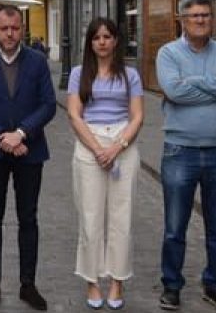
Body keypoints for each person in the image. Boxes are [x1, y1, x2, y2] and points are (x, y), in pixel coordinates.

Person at [155, 0, 216, 311]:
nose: (200, 20)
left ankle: (215, 285)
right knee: (175, 226)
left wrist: (192, 82)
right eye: (194, 15)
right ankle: (171, 286)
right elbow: (173, 90)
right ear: (182, 20)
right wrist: (215, 85)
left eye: (205, 15)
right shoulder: (168, 52)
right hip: (180, 150)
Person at [0, 6, 57, 311]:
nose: (9, 34)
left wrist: (21, 133)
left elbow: (48, 105)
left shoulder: (38, 61)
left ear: (22, 28)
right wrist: (2, 137)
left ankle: (28, 285)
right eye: (4, 28)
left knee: (28, 219)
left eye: (15, 28)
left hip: (29, 151)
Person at [66, 18, 144, 310]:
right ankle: (91, 281)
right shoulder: (78, 74)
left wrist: (117, 147)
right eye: (96, 37)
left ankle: (117, 281)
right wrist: (99, 149)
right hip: (90, 144)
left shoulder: (130, 75)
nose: (102, 42)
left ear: (115, 41)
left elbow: (137, 115)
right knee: (90, 217)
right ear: (90, 42)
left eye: (107, 36)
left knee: (122, 218)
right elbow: (74, 115)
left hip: (122, 142)